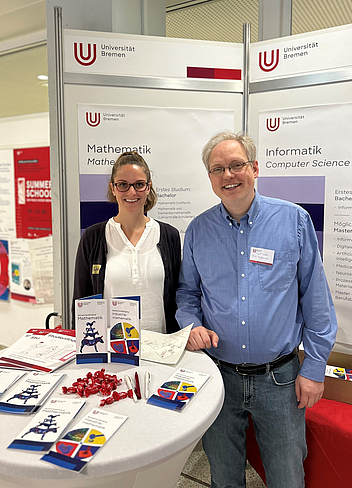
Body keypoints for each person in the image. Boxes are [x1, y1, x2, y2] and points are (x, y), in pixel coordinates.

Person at [176, 131, 337, 488]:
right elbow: (187, 293)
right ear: (210, 178)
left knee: (286, 476)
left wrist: (314, 366)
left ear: (255, 168)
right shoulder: (199, 231)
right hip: (218, 377)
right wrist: (190, 324)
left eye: (236, 165)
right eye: (218, 169)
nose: (228, 175)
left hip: (279, 380)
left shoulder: (293, 221)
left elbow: (316, 300)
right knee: (224, 475)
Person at [73, 151, 181, 333]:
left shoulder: (169, 235)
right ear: (113, 188)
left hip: (161, 350)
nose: (132, 192)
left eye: (139, 184)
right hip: (113, 352)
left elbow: (179, 297)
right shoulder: (93, 237)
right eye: (123, 185)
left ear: (148, 187)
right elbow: (81, 301)